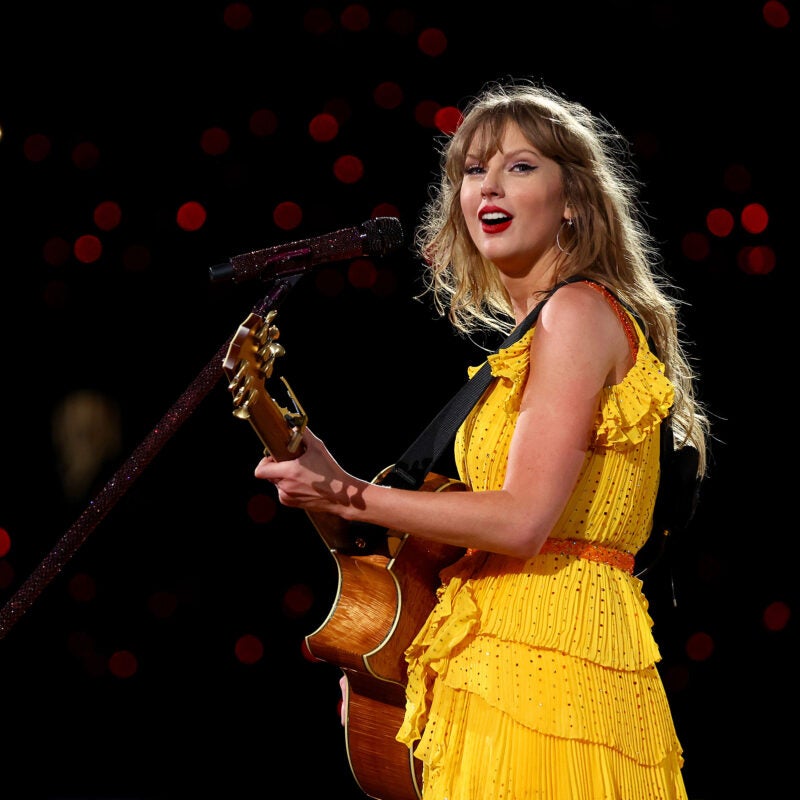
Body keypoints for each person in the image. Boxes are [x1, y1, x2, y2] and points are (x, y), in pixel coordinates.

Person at [254, 78, 709, 800]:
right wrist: (334, 477)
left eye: (521, 166)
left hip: (548, 672)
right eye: (473, 170)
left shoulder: (579, 314)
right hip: (492, 670)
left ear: (574, 202)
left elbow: (522, 520)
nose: (489, 185)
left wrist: (350, 494)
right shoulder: (525, 350)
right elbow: (458, 525)